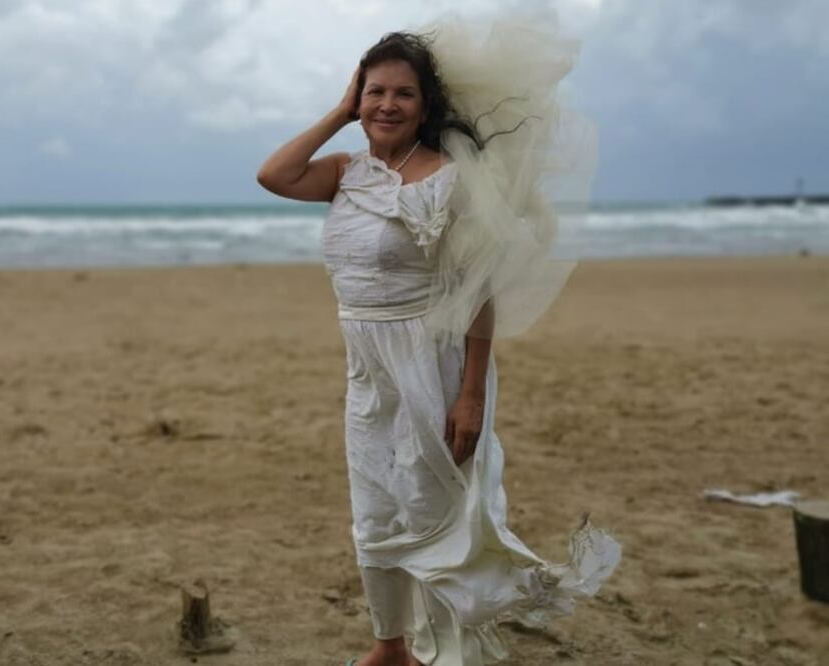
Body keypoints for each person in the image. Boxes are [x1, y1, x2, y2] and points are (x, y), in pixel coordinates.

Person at [257, 18, 621, 666]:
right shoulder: (345, 173)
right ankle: (388, 648)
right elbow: (273, 175)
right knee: (375, 509)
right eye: (374, 92)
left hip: (433, 362)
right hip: (366, 368)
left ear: (426, 105)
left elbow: (480, 290)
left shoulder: (451, 179)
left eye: (402, 93)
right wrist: (339, 113)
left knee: (433, 512)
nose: (386, 105)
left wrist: (472, 393)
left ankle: (452, 650)